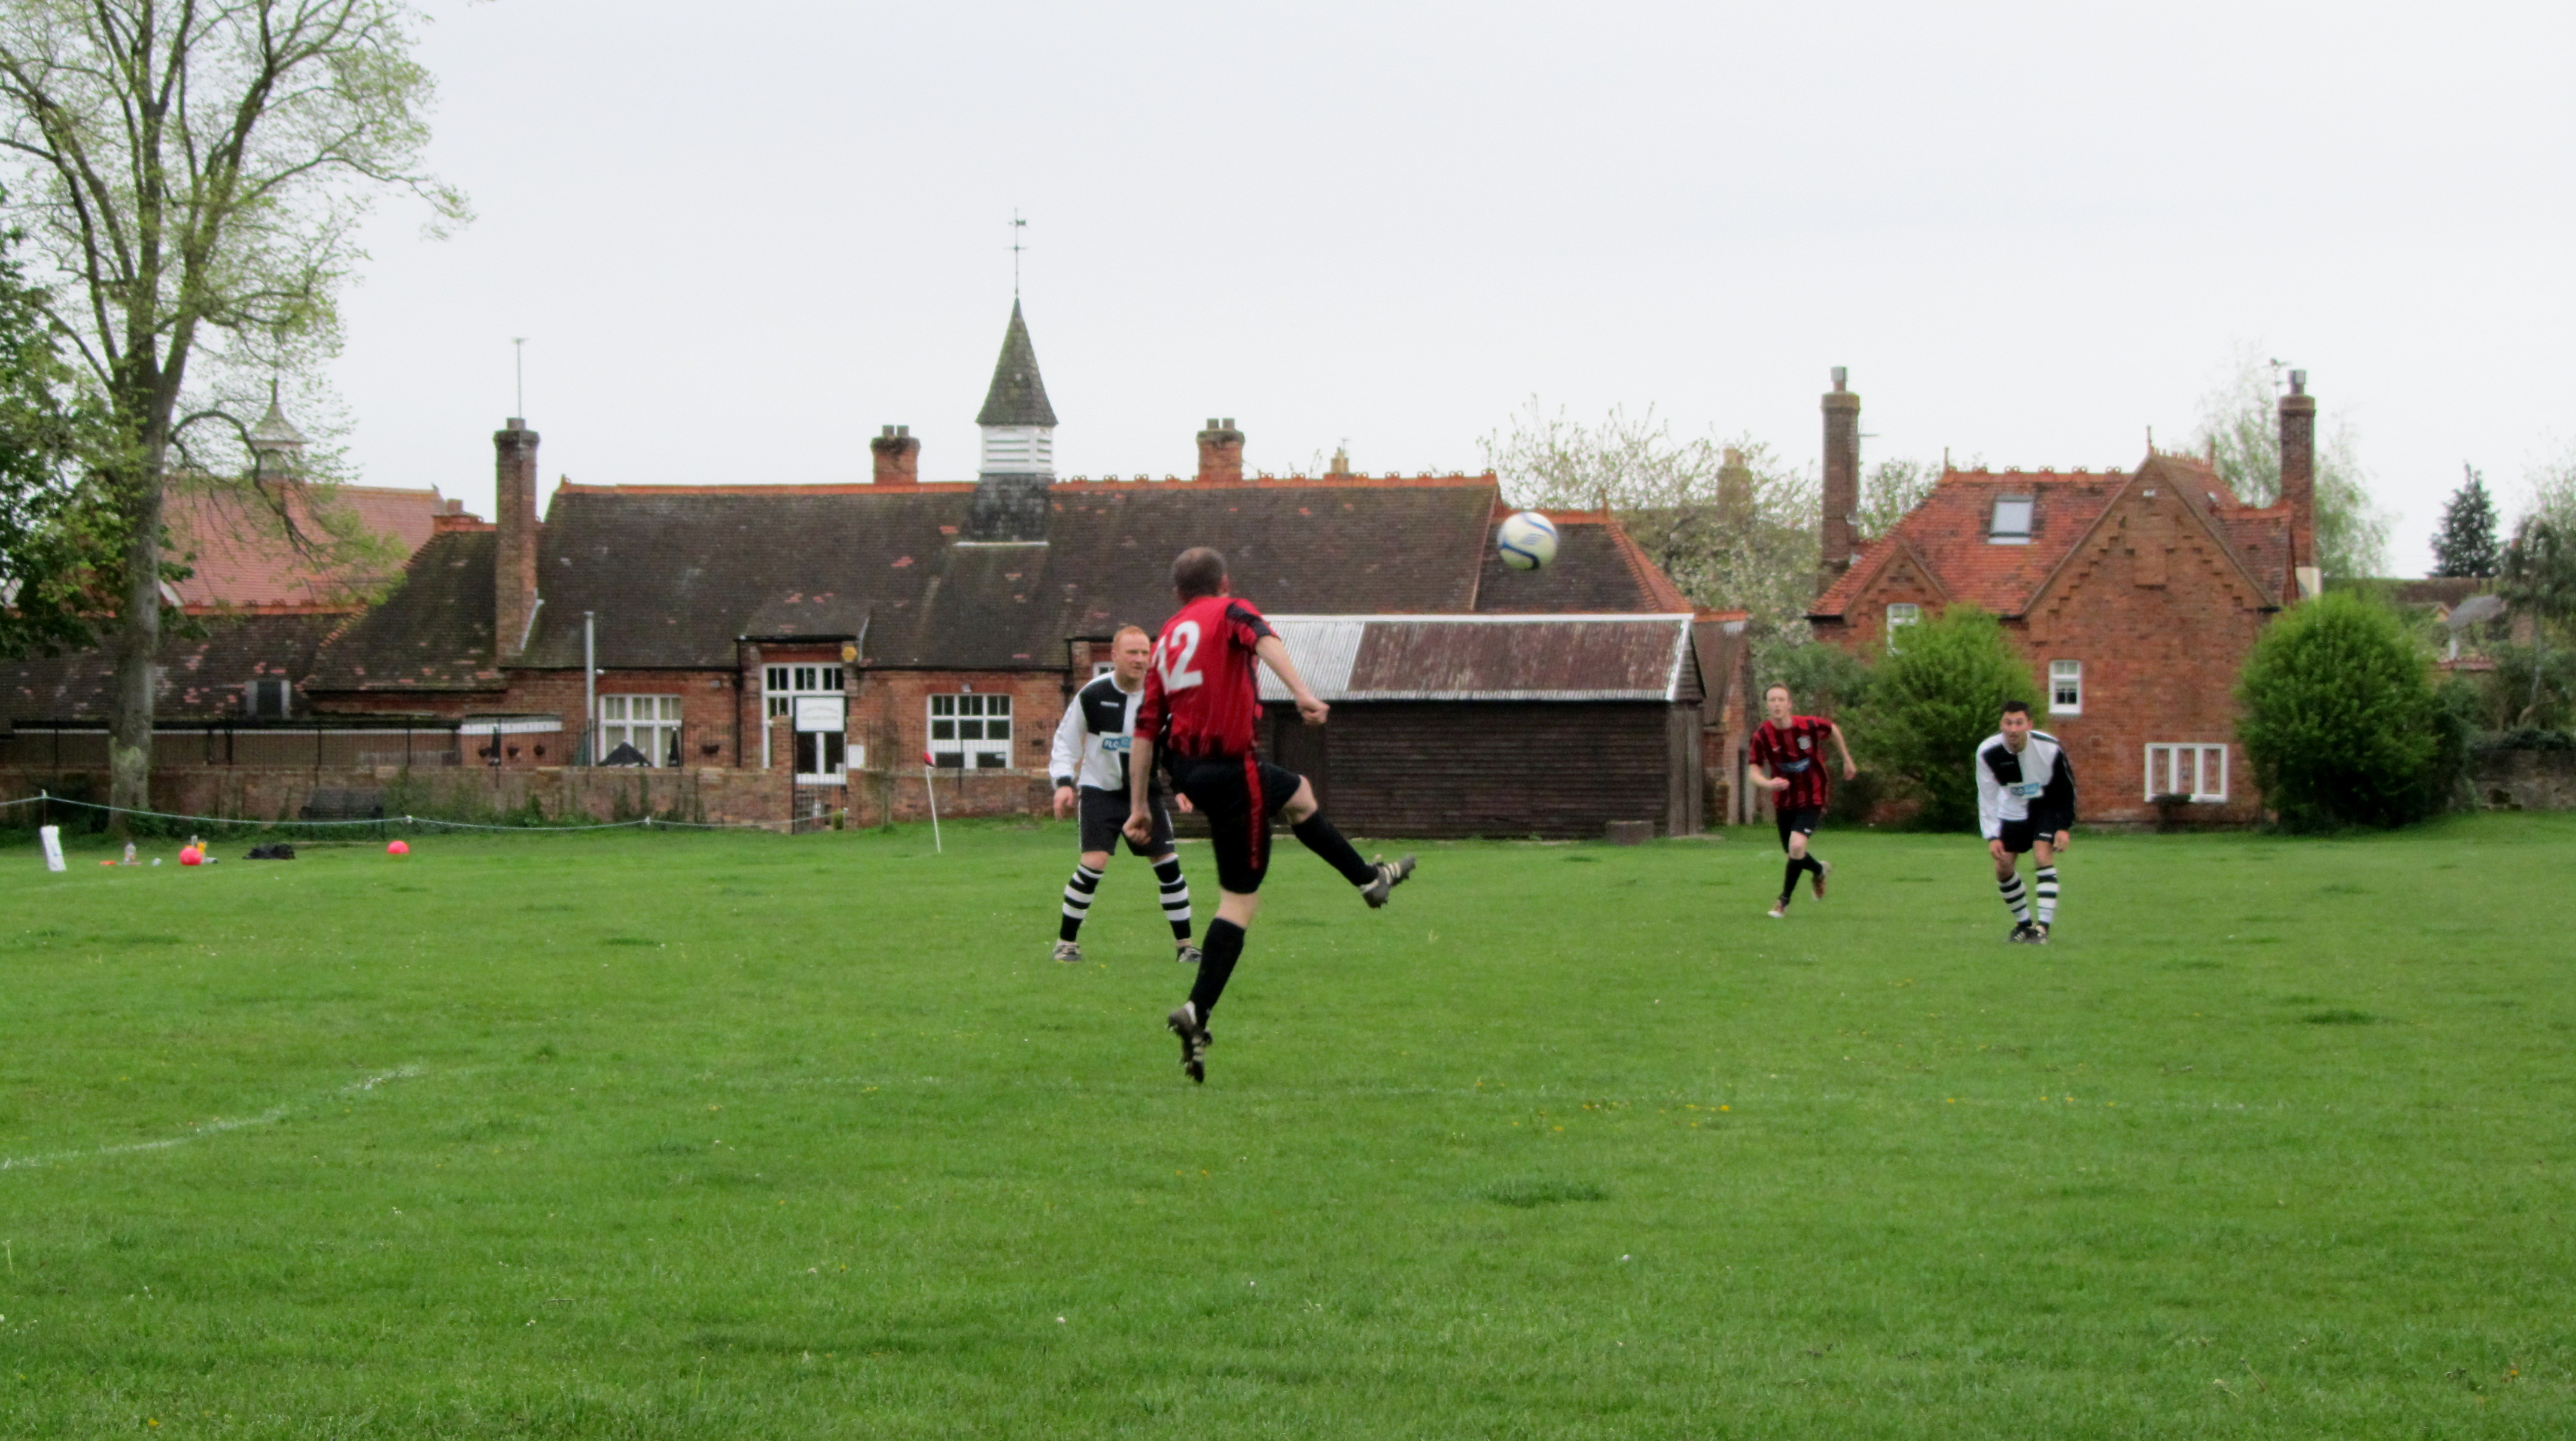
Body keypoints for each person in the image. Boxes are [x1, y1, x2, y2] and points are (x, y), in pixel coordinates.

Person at [1126, 546, 1415, 1083]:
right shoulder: (1231, 611)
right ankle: (1196, 1012)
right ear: (1224, 582)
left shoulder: (1164, 639)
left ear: (1178, 592)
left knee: (1299, 793)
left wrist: (1140, 806)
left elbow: (1146, 728)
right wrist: (1303, 694)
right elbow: (1265, 639)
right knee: (1239, 901)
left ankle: (1369, 880)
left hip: (1189, 770)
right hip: (1232, 770)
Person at [1048, 625, 1199, 966]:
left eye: (1145, 653)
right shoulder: (1092, 694)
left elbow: (1174, 748)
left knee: (1168, 866)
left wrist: (1181, 786)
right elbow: (1066, 742)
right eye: (1132, 652)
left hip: (1145, 795)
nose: (1140, 659)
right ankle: (1066, 944)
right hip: (1100, 791)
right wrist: (1064, 783)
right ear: (1114, 656)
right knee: (1094, 863)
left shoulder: (1162, 698)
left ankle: (1187, 947)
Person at [1747, 682, 1857, 919]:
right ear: (1767, 705)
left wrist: (1847, 759)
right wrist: (1768, 783)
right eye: (1772, 700)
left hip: (1812, 795)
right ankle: (1819, 870)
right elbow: (1753, 771)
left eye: (1781, 700)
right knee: (1792, 851)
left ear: (1790, 704)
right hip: (1784, 801)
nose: (1777, 704)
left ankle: (1783, 902)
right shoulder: (1762, 735)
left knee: (1796, 846)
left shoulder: (1808, 726)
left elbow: (1833, 729)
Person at [1975, 700, 2077, 944]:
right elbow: (1987, 796)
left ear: (2029, 725)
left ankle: (2042, 929)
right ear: (2001, 725)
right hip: (2012, 808)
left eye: (2019, 723)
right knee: (2003, 867)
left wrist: (2063, 826)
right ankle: (2024, 924)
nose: (2013, 729)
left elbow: (2067, 788)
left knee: (2042, 855)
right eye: (2008, 723)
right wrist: (1992, 836)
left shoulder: (2049, 747)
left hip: (2046, 805)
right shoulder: (1987, 752)